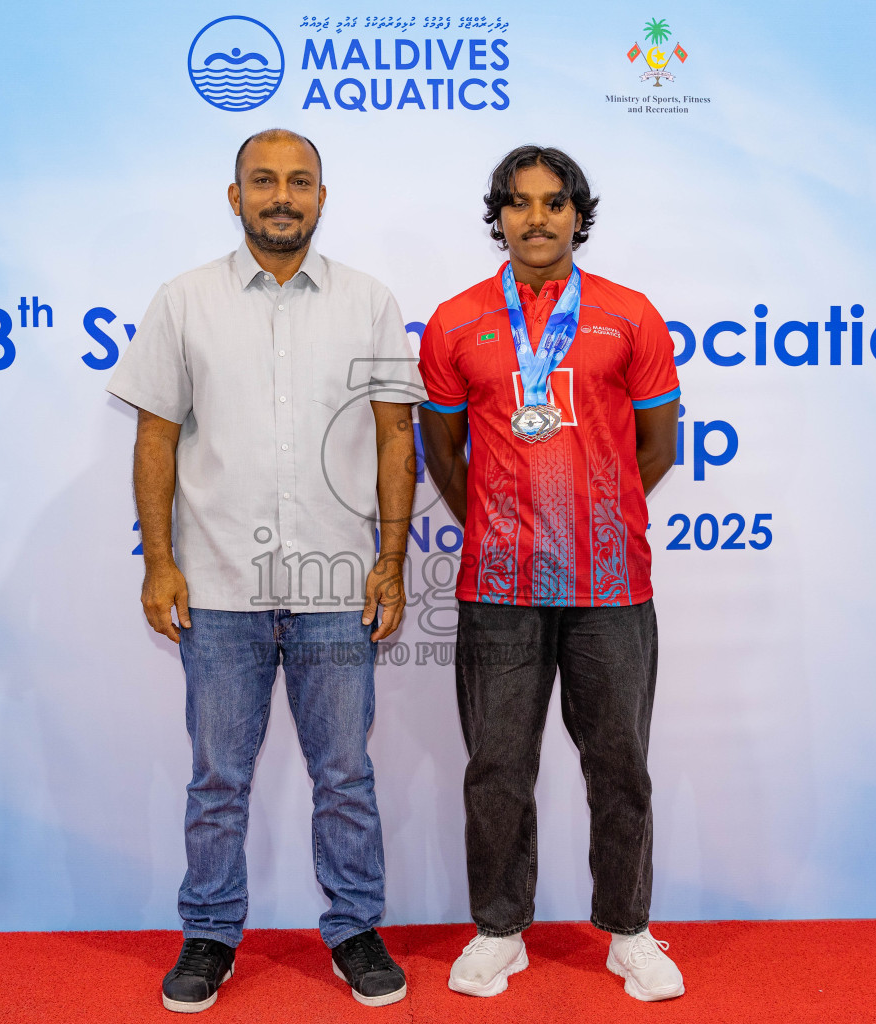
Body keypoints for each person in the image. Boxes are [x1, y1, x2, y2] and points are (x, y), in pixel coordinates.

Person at [106, 129, 421, 1013]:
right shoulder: (184, 301)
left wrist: (391, 561)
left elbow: (396, 438)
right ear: (234, 195)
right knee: (217, 780)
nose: (282, 195)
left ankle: (354, 929)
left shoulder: (369, 302)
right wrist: (160, 563)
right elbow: (156, 438)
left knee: (345, 776)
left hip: (336, 587)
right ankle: (209, 934)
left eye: (300, 181)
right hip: (217, 589)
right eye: (264, 180)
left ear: (322, 196)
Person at [417, 145, 684, 1002]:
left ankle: (629, 932)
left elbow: (658, 446)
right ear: (497, 214)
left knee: (620, 763)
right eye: (520, 202)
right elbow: (442, 451)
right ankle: (500, 931)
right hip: (498, 587)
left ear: (578, 214)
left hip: (611, 587)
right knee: (497, 765)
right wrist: (499, 521)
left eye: (555, 202)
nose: (537, 218)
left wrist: (596, 517)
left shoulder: (630, 315)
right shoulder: (455, 322)